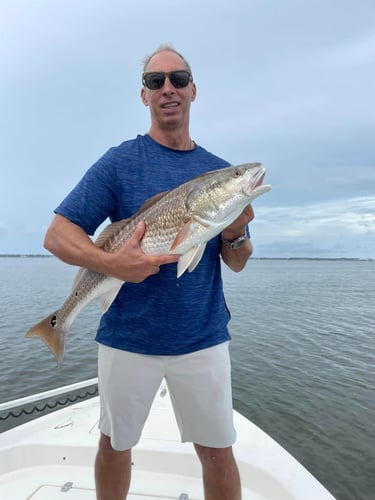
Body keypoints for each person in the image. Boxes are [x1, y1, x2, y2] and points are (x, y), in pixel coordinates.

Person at [44, 44, 255, 500]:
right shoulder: (120, 163)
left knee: (219, 452)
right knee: (115, 445)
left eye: (178, 79)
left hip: (202, 337)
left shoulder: (217, 174)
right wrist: (110, 263)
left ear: (193, 90)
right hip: (128, 338)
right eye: (155, 81)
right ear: (144, 96)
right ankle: (56, 325)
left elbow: (236, 262)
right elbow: (57, 234)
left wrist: (235, 231)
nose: (168, 89)